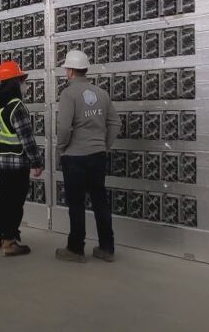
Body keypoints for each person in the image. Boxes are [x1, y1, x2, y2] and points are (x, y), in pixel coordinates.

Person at [55, 50, 120, 263]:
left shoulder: (68, 94)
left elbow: (64, 127)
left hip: (75, 157)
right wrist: (104, 145)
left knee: (76, 203)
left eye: (66, 68)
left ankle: (75, 249)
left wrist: (61, 148)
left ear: (71, 70)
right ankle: (107, 248)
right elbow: (115, 123)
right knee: (100, 200)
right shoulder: (101, 93)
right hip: (97, 155)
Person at [0, 60, 44, 256]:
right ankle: (9, 241)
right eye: (21, 79)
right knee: (15, 202)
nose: (24, 84)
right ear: (14, 81)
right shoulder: (17, 106)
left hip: (1, 161)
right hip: (18, 163)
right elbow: (27, 138)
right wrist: (36, 162)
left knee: (2, 199)